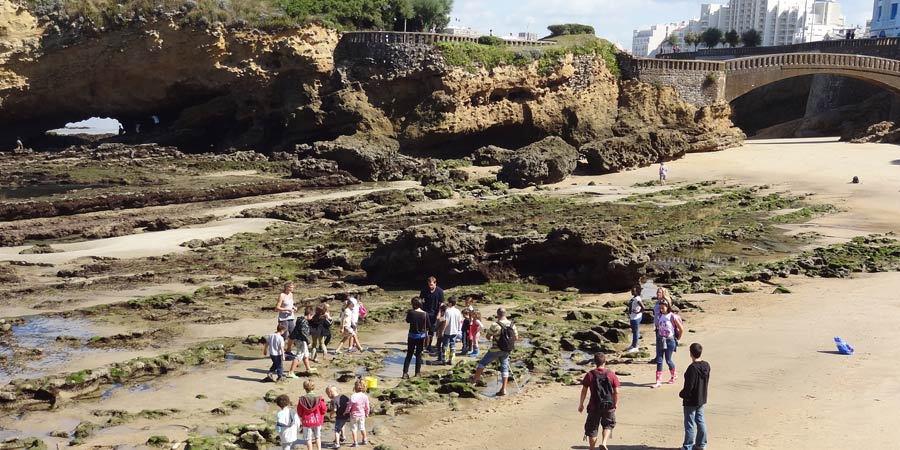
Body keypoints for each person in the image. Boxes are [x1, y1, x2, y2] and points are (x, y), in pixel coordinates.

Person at [470, 307, 519, 396]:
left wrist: (494, 337)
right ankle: (503, 389)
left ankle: (474, 382)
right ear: (505, 314)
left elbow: (488, 336)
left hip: (495, 350)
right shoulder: (512, 324)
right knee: (504, 367)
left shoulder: (495, 325)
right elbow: (516, 337)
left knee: (482, 363)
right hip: (507, 349)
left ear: (497, 314)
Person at [578, 353, 620, 450]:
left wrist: (581, 404)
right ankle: (604, 443)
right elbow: (616, 392)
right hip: (609, 405)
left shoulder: (590, 375)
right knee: (608, 424)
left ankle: (592, 448)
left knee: (592, 429)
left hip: (594, 406)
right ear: (605, 362)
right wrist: (615, 403)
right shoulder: (611, 374)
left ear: (595, 362)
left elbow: (584, 390)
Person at [679, 343, 711, 450]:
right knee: (700, 420)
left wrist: (683, 395)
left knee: (689, 424)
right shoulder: (706, 365)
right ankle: (701, 444)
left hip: (691, 400)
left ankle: (687, 446)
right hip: (701, 398)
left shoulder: (692, 368)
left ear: (691, 353)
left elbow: (689, 386)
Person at [653, 302, 683, 388]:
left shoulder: (672, 316)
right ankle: (658, 381)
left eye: (663, 308)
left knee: (668, 360)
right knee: (659, 359)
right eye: (660, 308)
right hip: (660, 339)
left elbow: (681, 329)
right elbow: (658, 326)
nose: (661, 310)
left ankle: (674, 375)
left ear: (667, 307)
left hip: (670, 340)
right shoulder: (660, 316)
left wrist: (678, 339)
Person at [297, 380, 327, 450]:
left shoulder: (302, 399)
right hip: (317, 420)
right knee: (317, 437)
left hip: (307, 421)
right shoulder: (319, 399)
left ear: (304, 388)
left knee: (308, 438)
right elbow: (324, 409)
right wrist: (321, 414)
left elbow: (299, 411)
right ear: (313, 387)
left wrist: (302, 416)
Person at [402, 297, 428, 379]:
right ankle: (417, 373)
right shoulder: (425, 314)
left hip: (411, 336)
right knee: (419, 355)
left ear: (413, 304)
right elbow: (429, 326)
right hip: (421, 336)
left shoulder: (411, 313)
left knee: (409, 354)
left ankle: (405, 373)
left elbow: (407, 321)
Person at [420, 276, 445, 353]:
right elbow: (420, 301)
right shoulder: (424, 291)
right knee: (424, 329)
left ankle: (429, 346)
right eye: (429, 284)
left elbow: (442, 303)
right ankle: (423, 345)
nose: (430, 286)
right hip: (425, 312)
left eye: (432, 284)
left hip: (435, 313)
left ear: (435, 283)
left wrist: (439, 313)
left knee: (432, 330)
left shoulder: (440, 291)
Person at [288, 306, 316, 375]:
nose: (312, 318)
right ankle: (291, 372)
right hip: (301, 340)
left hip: (298, 339)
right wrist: (308, 341)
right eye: (312, 316)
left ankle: (308, 368)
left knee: (305, 354)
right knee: (299, 355)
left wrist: (292, 337)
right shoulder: (304, 322)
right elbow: (303, 333)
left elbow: (295, 330)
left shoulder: (300, 320)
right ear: (309, 314)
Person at [439, 298, 462, 365]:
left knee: (445, 345)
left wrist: (442, 330)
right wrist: (458, 329)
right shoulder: (458, 311)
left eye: (448, 302)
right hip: (455, 330)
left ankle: (443, 360)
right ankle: (450, 359)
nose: (447, 303)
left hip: (448, 330)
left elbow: (446, 321)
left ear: (450, 303)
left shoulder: (447, 311)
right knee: (453, 345)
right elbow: (460, 321)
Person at [348, 378, 371, 447]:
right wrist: (367, 413)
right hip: (361, 415)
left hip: (354, 415)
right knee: (362, 427)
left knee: (354, 429)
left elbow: (349, 406)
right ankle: (364, 439)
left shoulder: (353, 396)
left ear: (355, 388)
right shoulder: (365, 396)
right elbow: (367, 407)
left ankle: (355, 442)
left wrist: (346, 412)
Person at [626, 285, 646, 353]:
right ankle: (633, 345)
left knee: (635, 332)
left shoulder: (637, 299)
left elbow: (643, 307)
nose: (631, 292)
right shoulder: (634, 298)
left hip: (636, 318)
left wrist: (638, 312)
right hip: (633, 317)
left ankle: (635, 347)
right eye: (631, 290)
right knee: (634, 331)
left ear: (637, 292)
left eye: (633, 291)